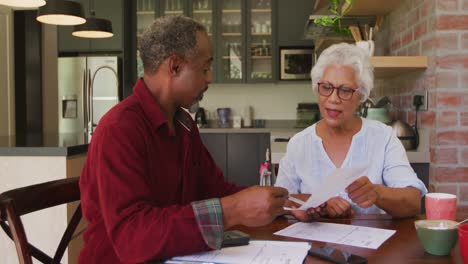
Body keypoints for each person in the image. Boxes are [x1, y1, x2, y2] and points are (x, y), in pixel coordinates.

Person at [78, 16, 288, 263]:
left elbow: (218, 191)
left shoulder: (184, 125)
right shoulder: (119, 129)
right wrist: (233, 210)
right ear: (175, 66)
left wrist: (284, 205)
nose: (209, 78)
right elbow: (132, 237)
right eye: (205, 67)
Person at [276, 43, 427, 221]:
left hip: (372, 246)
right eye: (326, 87)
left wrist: (377, 193)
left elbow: (413, 202)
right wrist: (313, 203)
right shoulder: (299, 143)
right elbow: (279, 203)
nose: (333, 99)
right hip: (314, 246)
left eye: (345, 90)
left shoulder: (383, 137)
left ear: (361, 95)